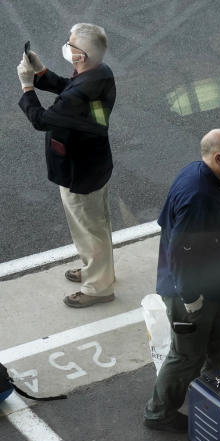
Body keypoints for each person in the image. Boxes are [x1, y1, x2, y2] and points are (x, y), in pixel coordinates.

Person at [142, 129, 220, 433]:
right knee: (186, 355)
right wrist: (191, 298)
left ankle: (215, 389)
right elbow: (180, 251)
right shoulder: (198, 195)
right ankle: (159, 412)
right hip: (192, 293)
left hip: (211, 286)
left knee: (219, 343)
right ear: (218, 158)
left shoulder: (206, 176)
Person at [17, 23, 117, 308]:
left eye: (70, 44)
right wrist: (42, 73)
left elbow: (41, 119)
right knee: (98, 224)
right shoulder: (100, 73)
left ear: (80, 56)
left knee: (88, 230)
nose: (67, 46)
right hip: (96, 162)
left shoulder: (80, 91)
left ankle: (98, 288)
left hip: (79, 171)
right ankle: (99, 272)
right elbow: (70, 90)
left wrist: (27, 86)